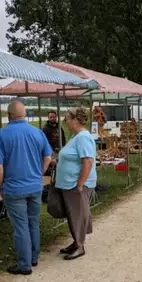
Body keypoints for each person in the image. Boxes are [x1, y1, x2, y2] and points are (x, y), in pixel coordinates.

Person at [0, 101, 53, 275]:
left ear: (8, 115)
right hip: (34, 185)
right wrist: (38, 174)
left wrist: (1, 183)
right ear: (24, 114)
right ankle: (34, 257)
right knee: (33, 222)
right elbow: (48, 157)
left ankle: (24, 264)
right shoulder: (37, 132)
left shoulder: (1, 135)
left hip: (14, 188)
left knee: (21, 226)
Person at [55, 108, 98, 260]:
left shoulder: (83, 137)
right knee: (73, 214)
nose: (65, 121)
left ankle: (80, 246)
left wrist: (80, 184)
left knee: (78, 215)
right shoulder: (76, 136)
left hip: (76, 184)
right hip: (69, 183)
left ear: (75, 120)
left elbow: (87, 161)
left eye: (66, 118)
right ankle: (76, 242)